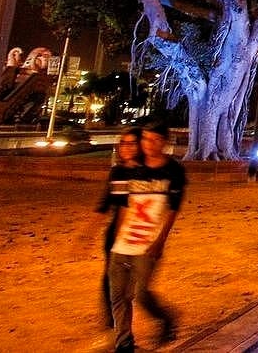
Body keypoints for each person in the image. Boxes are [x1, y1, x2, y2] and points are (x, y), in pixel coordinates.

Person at [106, 123, 185, 352]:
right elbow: (121, 206)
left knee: (141, 295)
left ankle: (166, 318)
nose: (148, 145)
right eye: (145, 140)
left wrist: (160, 241)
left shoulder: (173, 171)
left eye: (154, 140)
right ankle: (125, 343)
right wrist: (115, 240)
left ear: (164, 142)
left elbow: (173, 209)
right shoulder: (128, 170)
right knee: (118, 296)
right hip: (123, 243)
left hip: (148, 243)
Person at [97, 127, 143, 329]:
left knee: (135, 283)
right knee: (110, 279)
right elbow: (105, 203)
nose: (125, 148)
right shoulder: (116, 172)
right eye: (123, 143)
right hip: (115, 234)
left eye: (131, 143)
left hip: (137, 234)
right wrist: (87, 233)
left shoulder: (147, 173)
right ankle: (113, 323)